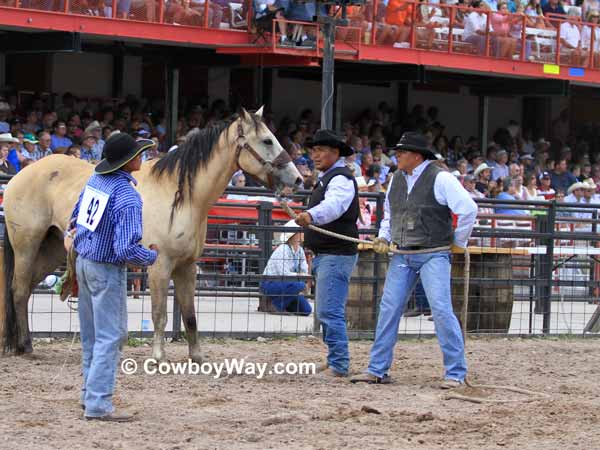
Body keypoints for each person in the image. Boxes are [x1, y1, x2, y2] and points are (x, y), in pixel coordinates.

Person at [350, 132, 477, 387]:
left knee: (440, 309)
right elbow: (390, 215)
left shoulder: (441, 178)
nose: (397, 156)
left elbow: (468, 209)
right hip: (406, 252)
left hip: (431, 252)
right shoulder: (398, 179)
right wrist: (384, 237)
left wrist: (458, 243)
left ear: (417, 156)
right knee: (390, 308)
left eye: (402, 152)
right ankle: (377, 369)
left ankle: (455, 373)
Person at [65, 133, 158, 422]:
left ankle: (89, 395)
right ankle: (98, 404)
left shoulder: (96, 180)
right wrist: (151, 257)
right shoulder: (128, 196)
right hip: (106, 269)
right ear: (128, 161)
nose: (142, 158)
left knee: (93, 336)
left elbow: (76, 216)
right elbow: (126, 248)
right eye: (138, 154)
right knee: (111, 336)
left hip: (84, 260)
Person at [295, 129, 359, 378]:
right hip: (329, 253)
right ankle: (335, 358)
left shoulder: (339, 179)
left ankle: (339, 364)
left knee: (329, 311)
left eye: (320, 150)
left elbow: (335, 206)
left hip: (335, 253)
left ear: (335, 153)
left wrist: (311, 215)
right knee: (327, 310)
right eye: (314, 150)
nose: (315, 155)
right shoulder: (331, 178)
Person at [260, 220, 311, 316]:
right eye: (301, 232)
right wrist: (303, 278)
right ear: (295, 235)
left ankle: (275, 302)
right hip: (270, 282)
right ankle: (275, 305)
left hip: (285, 284)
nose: (303, 234)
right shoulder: (283, 249)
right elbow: (284, 273)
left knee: (306, 310)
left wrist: (303, 276)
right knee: (299, 285)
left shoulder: (299, 250)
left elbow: (304, 269)